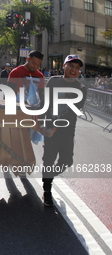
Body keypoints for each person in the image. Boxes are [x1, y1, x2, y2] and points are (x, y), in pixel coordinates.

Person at [40, 55, 87, 207]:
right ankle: (47, 191)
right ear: (64, 66)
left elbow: (72, 111)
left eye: (77, 68)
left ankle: (49, 176)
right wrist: (42, 124)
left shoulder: (81, 88)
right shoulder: (54, 81)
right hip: (50, 128)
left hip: (66, 131)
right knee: (48, 159)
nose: (74, 70)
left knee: (67, 161)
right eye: (71, 66)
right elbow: (45, 102)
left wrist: (55, 128)